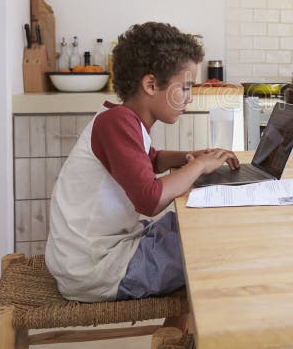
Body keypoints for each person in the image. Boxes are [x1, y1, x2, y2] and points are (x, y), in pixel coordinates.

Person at [45, 22, 238, 333]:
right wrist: (198, 167)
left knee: (199, 228)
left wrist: (193, 156)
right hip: (97, 269)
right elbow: (150, 198)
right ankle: (199, 336)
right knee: (213, 244)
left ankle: (177, 335)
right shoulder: (117, 123)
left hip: (98, 255)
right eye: (185, 87)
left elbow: (150, 159)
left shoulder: (124, 120)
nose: (190, 97)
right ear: (151, 85)